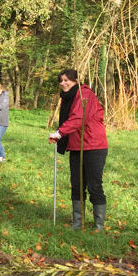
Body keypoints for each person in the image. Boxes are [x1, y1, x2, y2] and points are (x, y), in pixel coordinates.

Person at [48, 69, 108, 231]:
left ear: (75, 81)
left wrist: (60, 133)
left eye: (67, 80)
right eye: (60, 80)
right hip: (76, 145)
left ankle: (98, 225)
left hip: (94, 146)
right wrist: (60, 134)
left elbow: (79, 118)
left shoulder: (84, 95)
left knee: (94, 186)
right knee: (76, 185)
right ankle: (77, 223)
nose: (63, 83)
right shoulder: (68, 97)